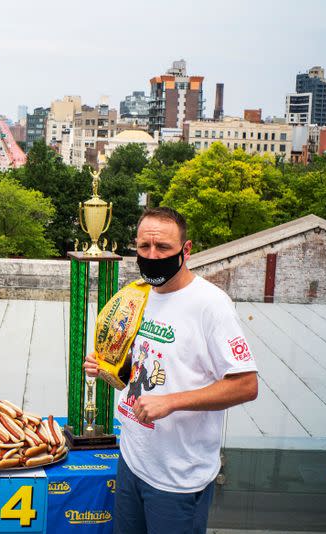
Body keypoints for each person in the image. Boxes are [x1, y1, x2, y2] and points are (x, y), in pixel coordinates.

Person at [84, 207, 258, 534]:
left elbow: (246, 385)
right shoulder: (138, 295)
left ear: (186, 250)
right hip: (133, 461)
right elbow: (137, 371)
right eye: (144, 247)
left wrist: (171, 401)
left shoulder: (212, 305)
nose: (152, 255)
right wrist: (106, 367)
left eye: (163, 248)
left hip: (178, 478)